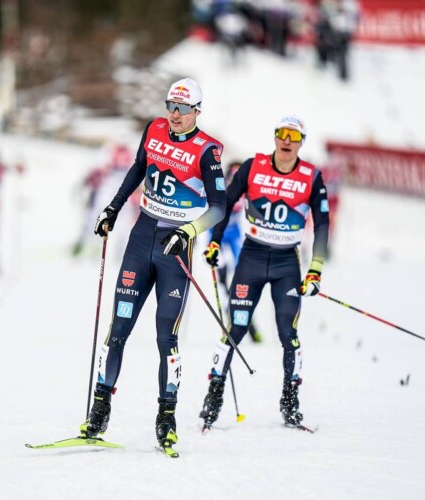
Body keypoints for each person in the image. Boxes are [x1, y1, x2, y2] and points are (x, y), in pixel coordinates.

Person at [80, 78, 227, 453]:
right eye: (171, 106)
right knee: (119, 327)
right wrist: (112, 208)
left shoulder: (207, 151)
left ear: (197, 111)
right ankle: (100, 408)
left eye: (183, 109)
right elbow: (137, 168)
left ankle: (167, 416)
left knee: (167, 336)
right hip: (141, 235)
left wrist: (189, 231)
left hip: (175, 248)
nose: (175, 115)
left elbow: (219, 207)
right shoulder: (154, 130)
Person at [200, 115, 329, 429]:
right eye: (282, 134)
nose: (287, 140)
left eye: (293, 136)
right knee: (236, 328)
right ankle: (213, 395)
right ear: (274, 138)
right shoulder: (252, 167)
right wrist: (214, 243)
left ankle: (290, 401)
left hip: (287, 263)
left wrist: (315, 270)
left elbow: (323, 223)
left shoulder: (311, 176)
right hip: (252, 258)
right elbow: (225, 203)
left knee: (288, 333)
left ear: (301, 142)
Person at [210, 160, 262, 343]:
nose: (236, 178)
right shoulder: (220, 188)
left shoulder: (246, 190)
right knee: (224, 277)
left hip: (234, 235)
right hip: (217, 236)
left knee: (244, 274)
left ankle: (247, 319)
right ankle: (231, 318)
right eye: (233, 174)